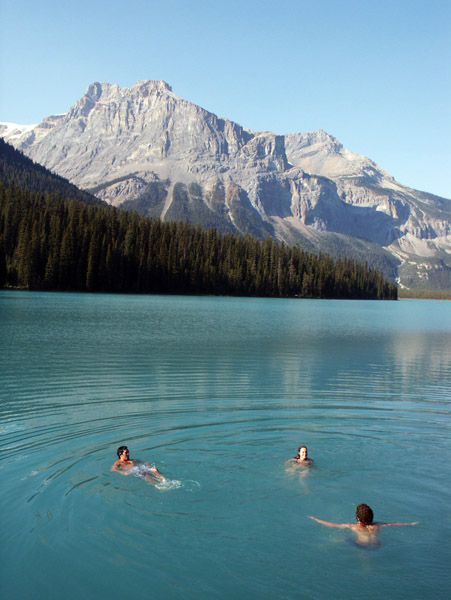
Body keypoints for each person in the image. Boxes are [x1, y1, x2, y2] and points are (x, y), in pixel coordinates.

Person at [309, 503, 418, 546]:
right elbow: (394, 524)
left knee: (342, 538)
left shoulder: (353, 526)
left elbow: (333, 525)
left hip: (362, 544)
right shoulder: (377, 525)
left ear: (357, 518)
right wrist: (411, 523)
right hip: (376, 545)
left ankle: (324, 546)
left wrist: (316, 519)